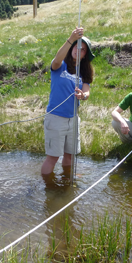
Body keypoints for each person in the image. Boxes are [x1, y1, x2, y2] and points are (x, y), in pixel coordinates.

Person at [41, 27, 95, 181]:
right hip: (56, 118)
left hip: (73, 119)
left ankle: (66, 181)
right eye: (76, 47)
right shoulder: (60, 66)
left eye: (83, 50)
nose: (78, 50)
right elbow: (57, 59)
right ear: (71, 47)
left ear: (85, 55)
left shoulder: (83, 72)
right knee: (52, 158)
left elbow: (87, 91)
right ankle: (48, 188)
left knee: (70, 156)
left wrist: (83, 95)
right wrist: (71, 38)